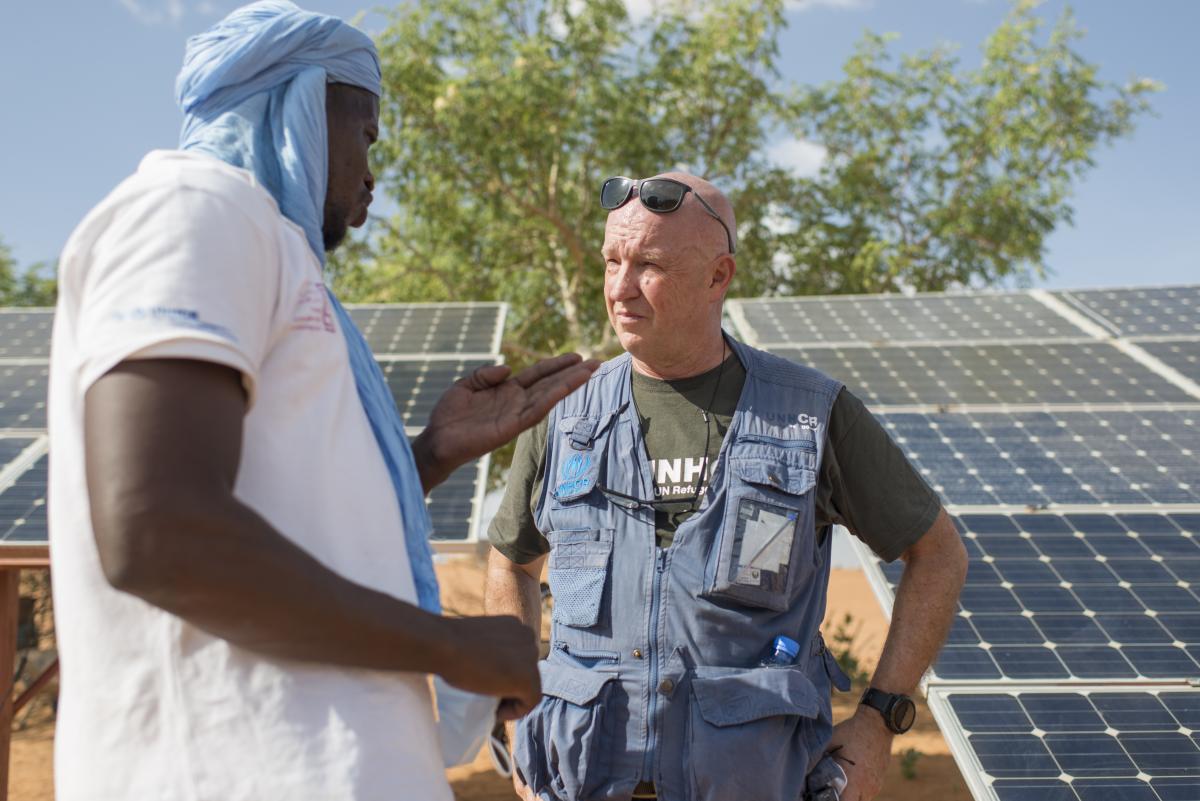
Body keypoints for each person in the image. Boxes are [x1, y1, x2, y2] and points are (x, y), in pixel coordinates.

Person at [47, 3, 597, 799]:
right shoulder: (193, 209)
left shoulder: (270, 250)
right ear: (301, 100)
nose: (373, 170)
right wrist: (450, 645)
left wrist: (427, 453)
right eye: (367, 134)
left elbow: (291, 516)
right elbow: (156, 530)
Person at [486, 173, 968, 801]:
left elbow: (937, 554)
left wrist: (881, 719)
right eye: (612, 261)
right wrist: (517, 709)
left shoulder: (811, 413)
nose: (621, 288)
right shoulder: (565, 412)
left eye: (649, 265)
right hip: (579, 781)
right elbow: (511, 564)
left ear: (719, 276)